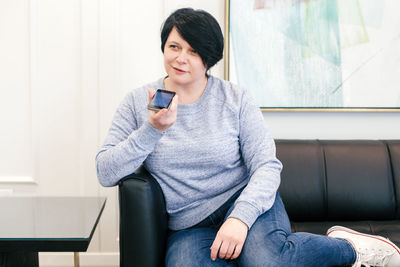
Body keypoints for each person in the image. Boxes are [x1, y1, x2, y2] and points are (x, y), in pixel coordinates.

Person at [96, 7, 400, 267]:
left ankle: (351, 248)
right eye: (174, 47)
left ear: (209, 59)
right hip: (189, 225)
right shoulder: (140, 102)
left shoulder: (234, 98)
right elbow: (105, 171)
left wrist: (239, 219)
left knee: (267, 261)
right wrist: (153, 130)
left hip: (248, 203)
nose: (181, 59)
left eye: (194, 51)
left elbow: (267, 166)